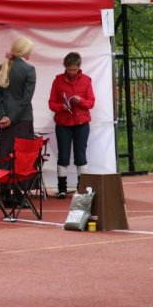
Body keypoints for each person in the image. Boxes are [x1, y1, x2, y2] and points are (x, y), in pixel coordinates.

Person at [0, 36, 36, 205]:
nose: (31, 52)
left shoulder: (2, 68)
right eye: (30, 49)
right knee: (22, 156)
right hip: (22, 120)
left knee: (5, 155)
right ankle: (20, 194)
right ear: (24, 51)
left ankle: (4, 193)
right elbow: (26, 100)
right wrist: (12, 118)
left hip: (5, 122)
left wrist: (3, 117)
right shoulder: (29, 70)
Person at [48, 52, 95, 198]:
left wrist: (79, 101)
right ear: (65, 67)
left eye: (74, 69)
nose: (71, 72)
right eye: (69, 69)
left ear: (79, 66)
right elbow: (51, 103)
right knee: (63, 155)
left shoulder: (86, 80)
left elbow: (91, 103)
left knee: (80, 155)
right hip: (63, 122)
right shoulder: (58, 80)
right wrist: (63, 106)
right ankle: (62, 188)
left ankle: (82, 188)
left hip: (81, 123)